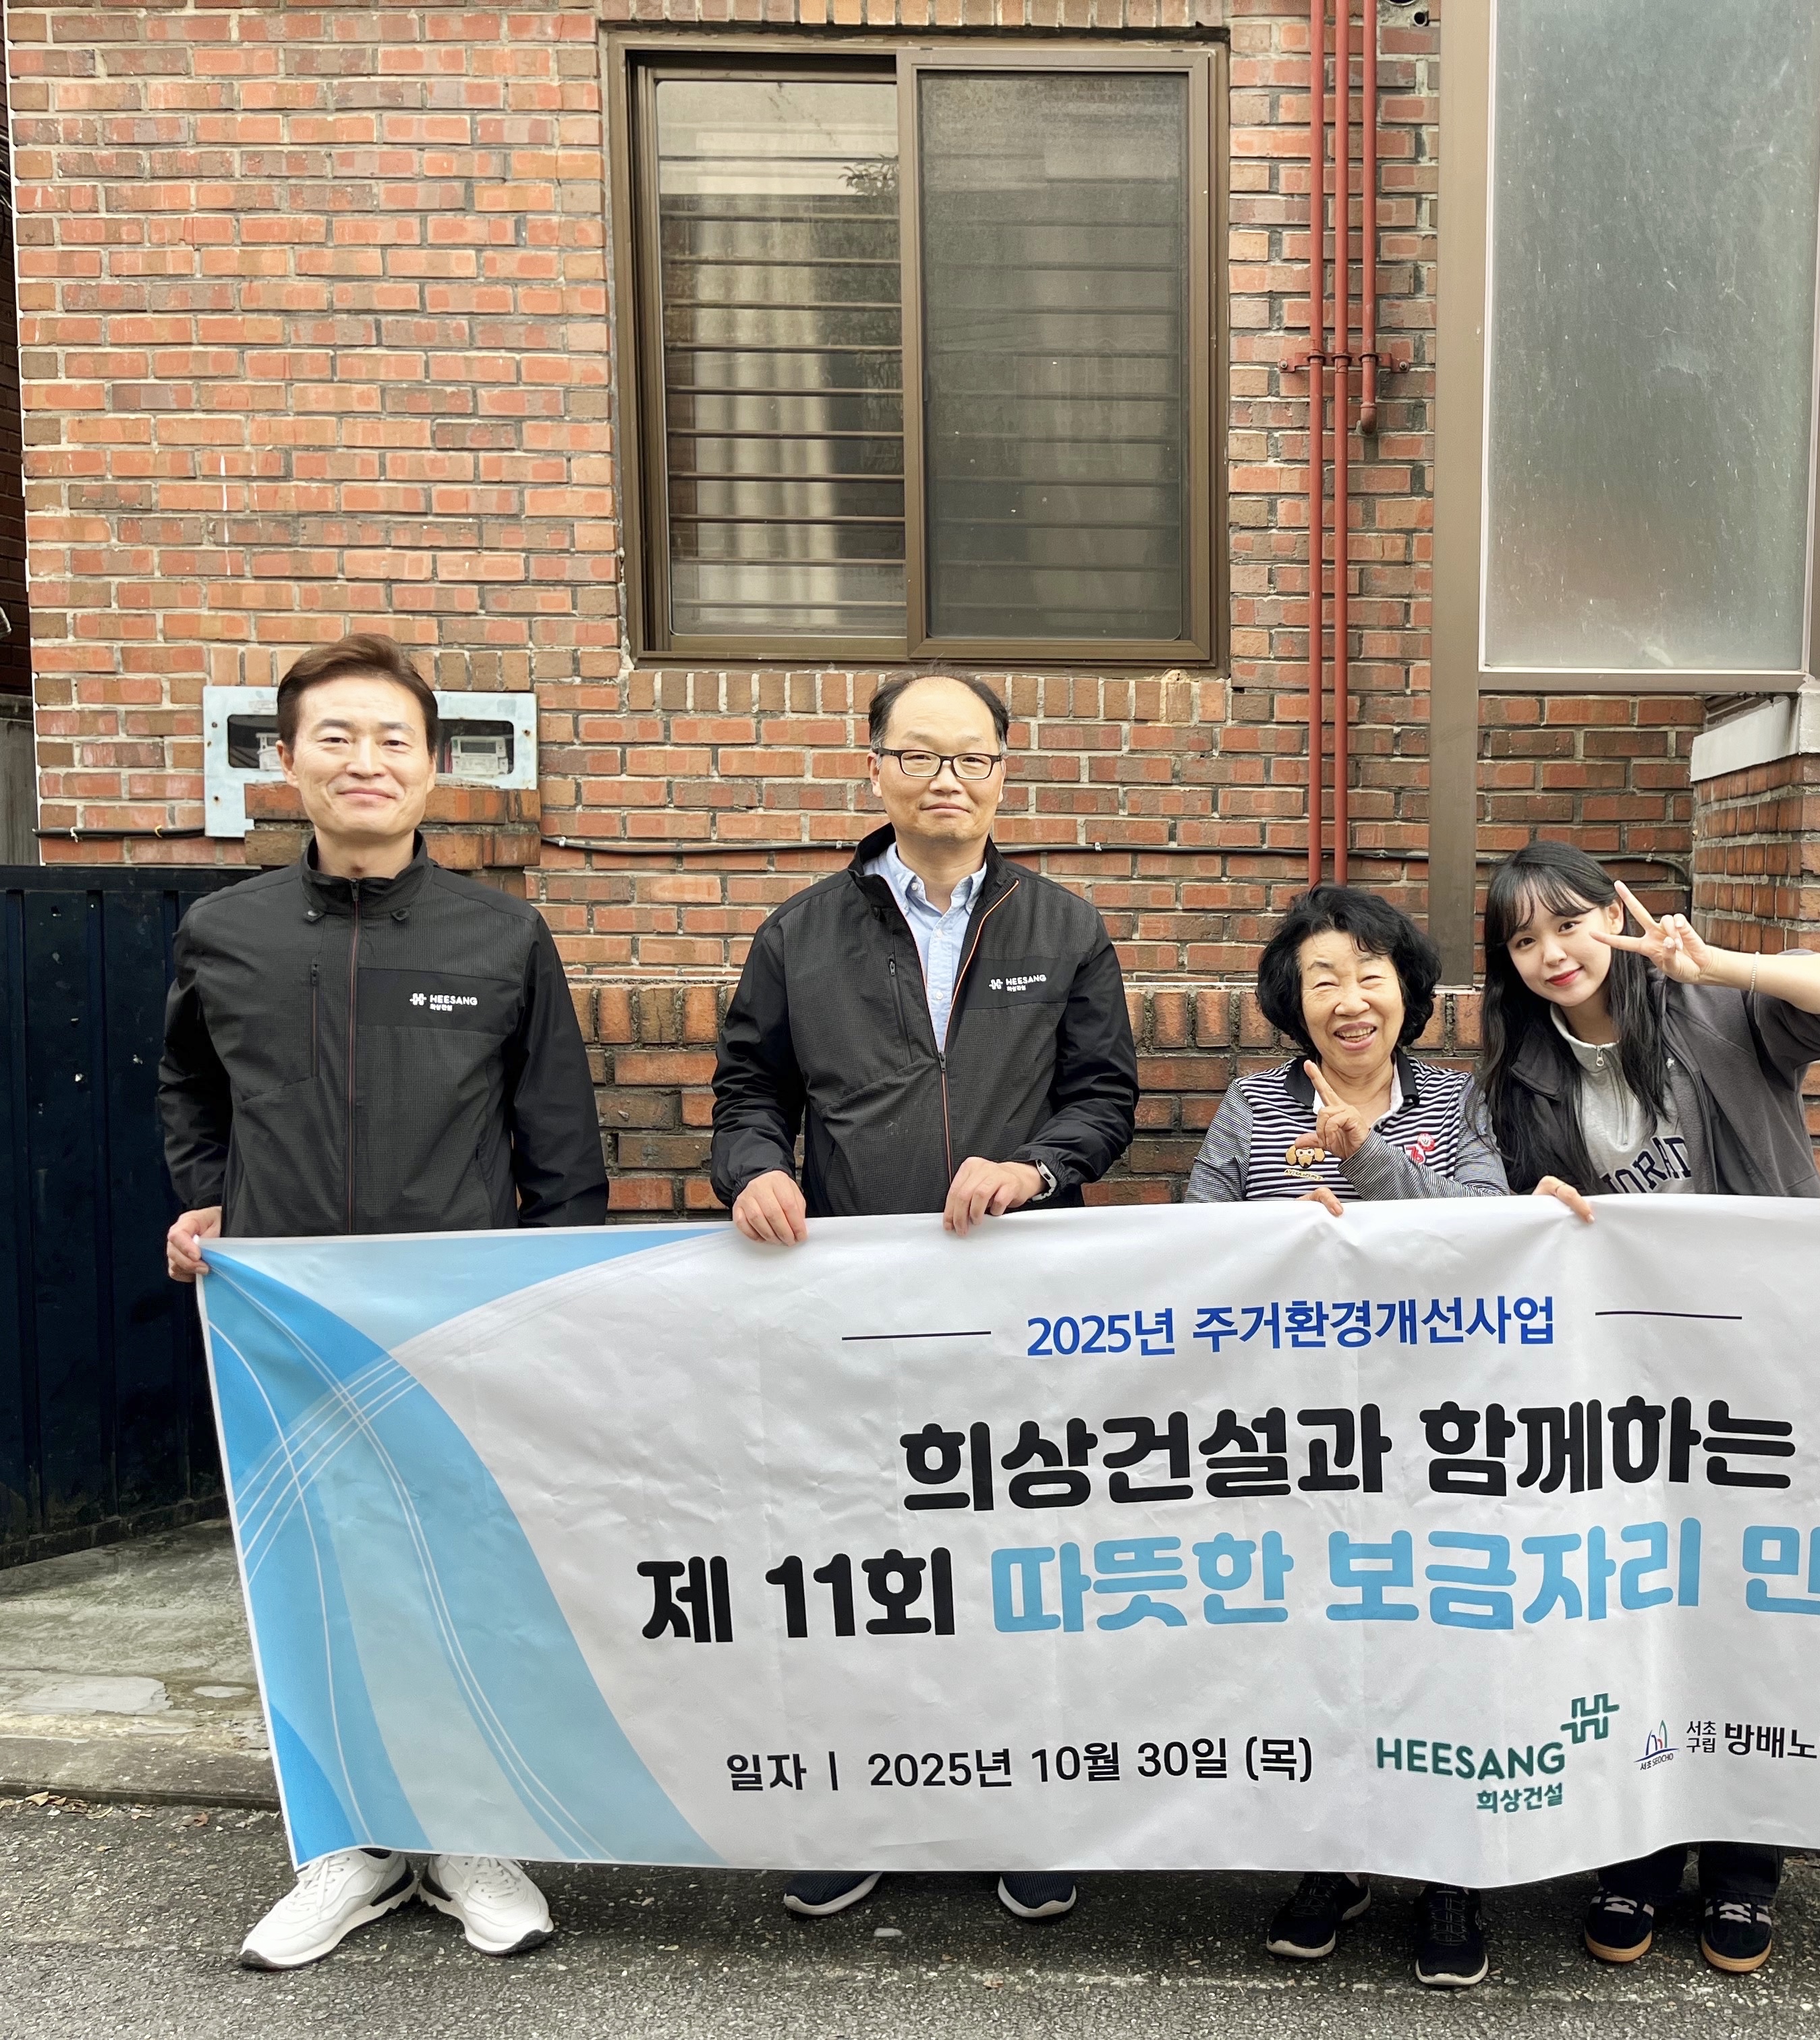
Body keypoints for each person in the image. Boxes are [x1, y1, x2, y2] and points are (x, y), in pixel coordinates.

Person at [160, 632, 607, 1971]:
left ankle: (467, 1833)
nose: (366, 761)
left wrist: (556, 1306)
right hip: (285, 1330)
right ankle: (348, 1847)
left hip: (457, 1327)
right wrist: (210, 1200)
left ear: (433, 766)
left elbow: (558, 1138)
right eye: (337, 737)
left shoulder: (501, 935)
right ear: (287, 760)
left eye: (393, 739)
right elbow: (192, 1089)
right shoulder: (225, 933)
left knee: (463, 1577)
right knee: (318, 1584)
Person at [711, 668, 1139, 1929]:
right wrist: (754, 1170)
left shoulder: (1063, 927)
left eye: (972, 758)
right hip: (856, 1310)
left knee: (1019, 1567)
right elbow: (747, 1095)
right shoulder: (799, 935)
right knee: (864, 1563)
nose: (947, 778)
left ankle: (1026, 1803)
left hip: (1024, 1311)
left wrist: (1039, 1167)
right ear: (876, 767)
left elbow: (1104, 1099)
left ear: (1004, 772)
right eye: (919, 755)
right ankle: (857, 1807)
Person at [1479, 839, 1820, 1976]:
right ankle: (1638, 1849)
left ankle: (1746, 1863)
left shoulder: (1713, 1016)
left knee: (1747, 1606)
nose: (1552, 953)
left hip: (1767, 1363)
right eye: (1523, 939)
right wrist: (1536, 1206)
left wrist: (1725, 966)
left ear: (1610, 922)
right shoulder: (1519, 1078)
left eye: (1568, 923)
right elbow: (1503, 1220)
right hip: (1632, 1386)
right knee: (1636, 1607)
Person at [1183, 885, 1506, 1987]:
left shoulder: (1457, 1099)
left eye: (1371, 975)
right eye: (1323, 979)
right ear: (1295, 1000)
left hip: (1439, 1428)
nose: (1350, 999)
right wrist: (1279, 1230)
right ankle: (1337, 1853)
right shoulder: (1251, 1105)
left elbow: (1489, 1224)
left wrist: (1366, 1158)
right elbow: (1196, 1238)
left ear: (1408, 992)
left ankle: (1450, 1870)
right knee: (1321, 1642)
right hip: (1300, 1428)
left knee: (1440, 1642)